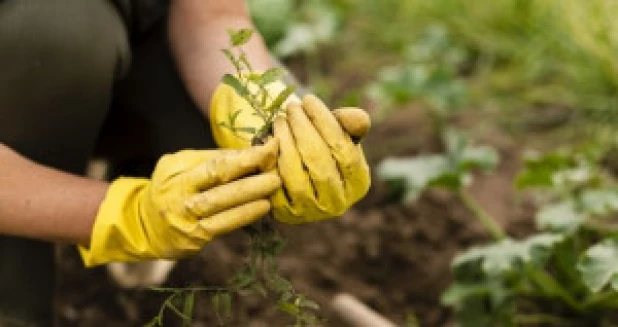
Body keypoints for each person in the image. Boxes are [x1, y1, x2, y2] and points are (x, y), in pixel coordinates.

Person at [0, 1, 370, 326]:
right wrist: (123, 214)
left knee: (226, 132)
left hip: (132, 43)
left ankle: (117, 174)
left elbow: (212, 13)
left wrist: (265, 113)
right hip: (36, 53)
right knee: (55, 34)